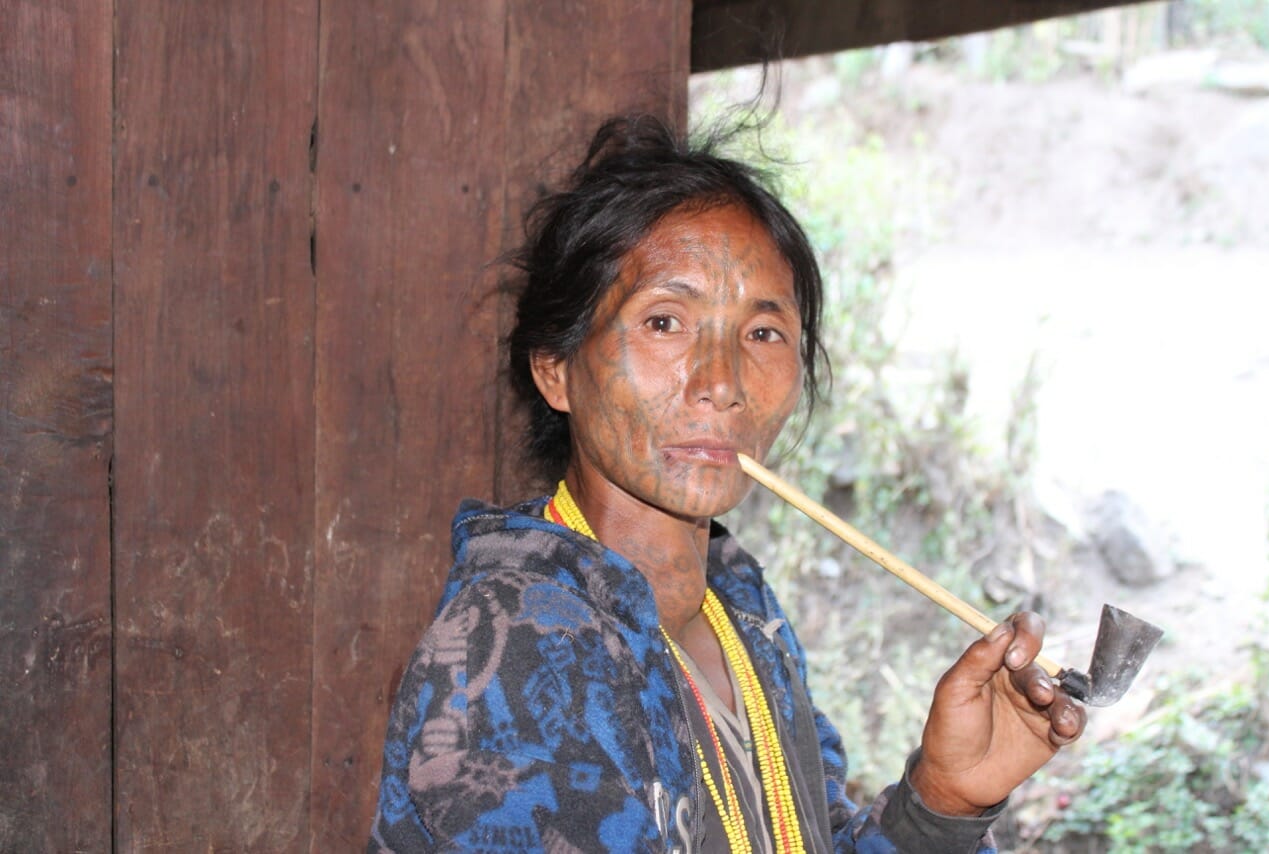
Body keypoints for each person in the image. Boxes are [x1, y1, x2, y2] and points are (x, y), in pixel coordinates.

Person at [369, 114, 1085, 853]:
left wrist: (941, 802)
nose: (722, 383)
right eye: (665, 322)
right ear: (557, 371)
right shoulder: (510, 659)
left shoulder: (741, 612)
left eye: (763, 333)